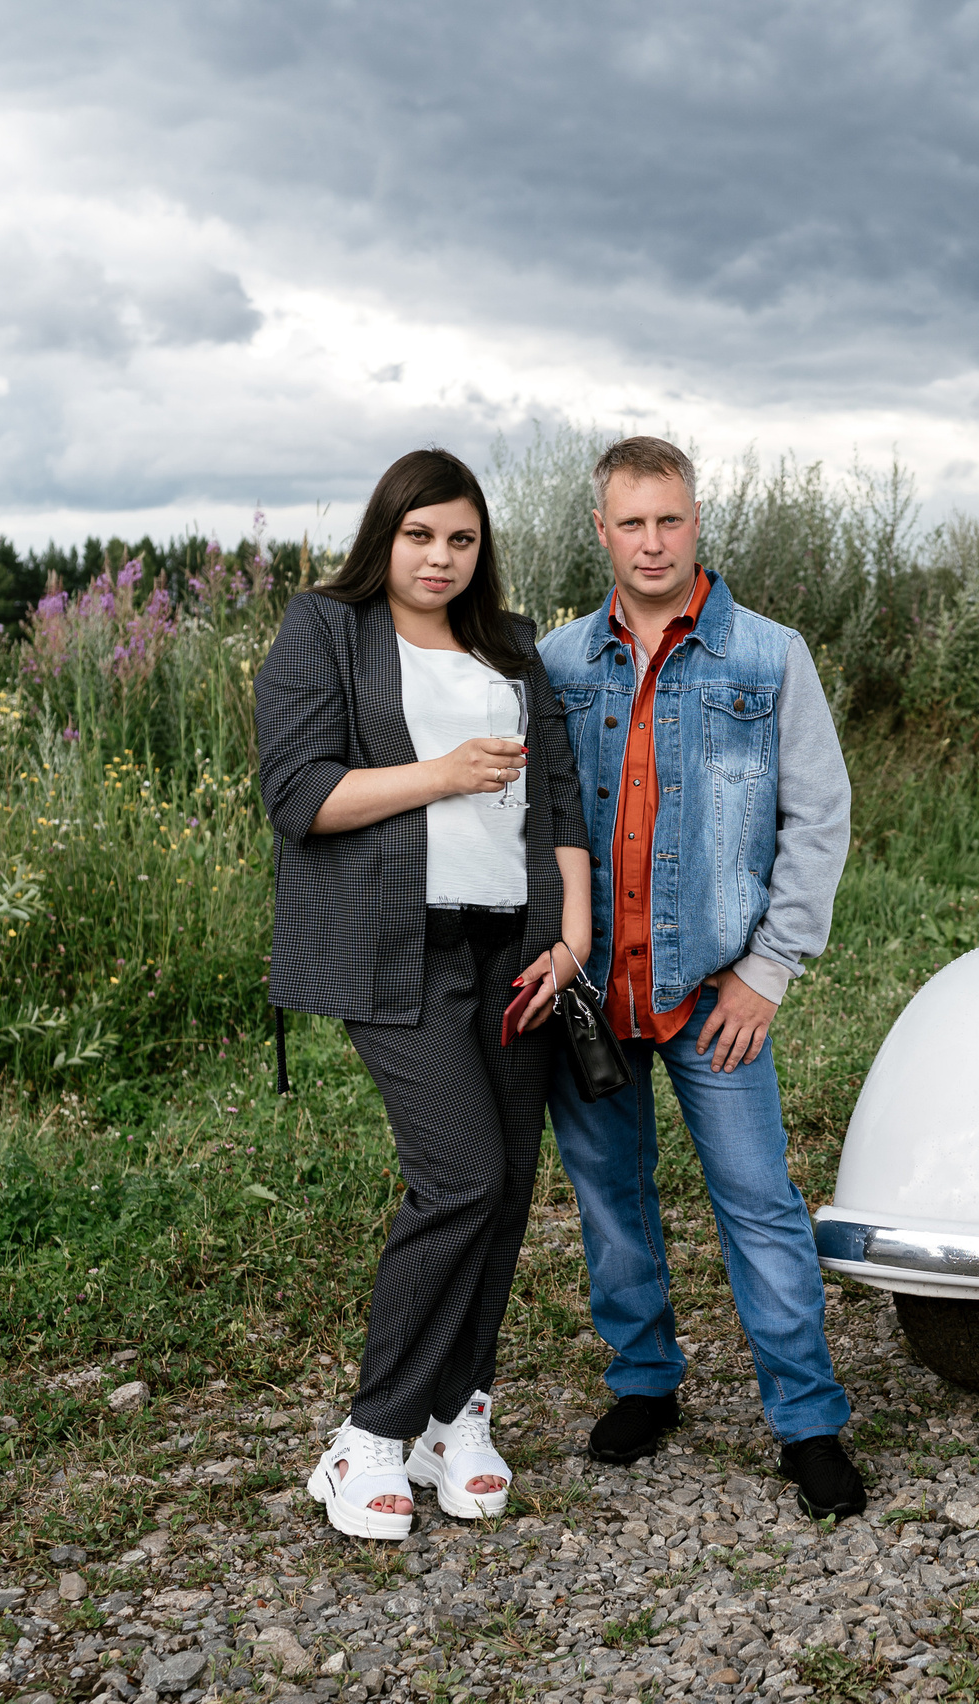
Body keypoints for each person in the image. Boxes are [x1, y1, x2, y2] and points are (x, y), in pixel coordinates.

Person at [256, 448, 594, 1541]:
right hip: (395, 948)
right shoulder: (325, 629)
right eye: (419, 536)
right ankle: (366, 1440)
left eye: (460, 538)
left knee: (503, 1195)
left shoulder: (509, 646)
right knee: (459, 1178)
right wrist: (443, 773)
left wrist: (571, 934)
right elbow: (299, 795)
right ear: (384, 536)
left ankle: (462, 1413)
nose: (440, 558)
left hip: (518, 950)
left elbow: (560, 800)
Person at [537, 435, 865, 1519]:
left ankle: (808, 1422)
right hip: (592, 990)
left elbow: (818, 820)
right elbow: (532, 824)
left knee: (760, 1204)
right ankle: (644, 1386)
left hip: (711, 991)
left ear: (695, 520)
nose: (651, 541)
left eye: (668, 519)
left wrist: (769, 970)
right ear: (601, 530)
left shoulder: (769, 657)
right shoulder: (557, 663)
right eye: (630, 522)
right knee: (611, 1201)